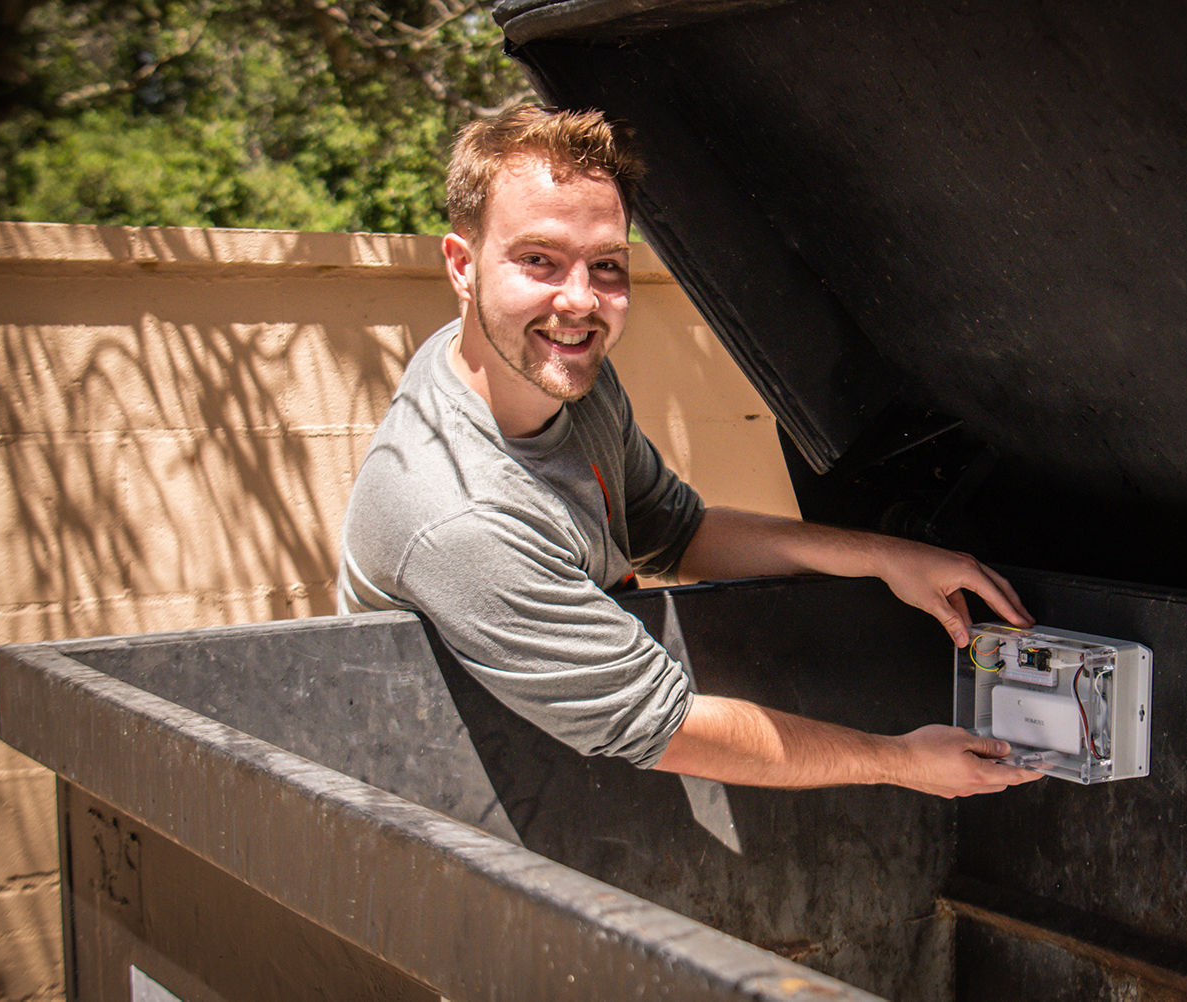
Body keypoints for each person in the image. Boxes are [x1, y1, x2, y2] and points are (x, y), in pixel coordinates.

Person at [338, 105, 1043, 798]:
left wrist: (880, 555)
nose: (580, 301)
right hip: (449, 809)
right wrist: (902, 762)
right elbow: (664, 725)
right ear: (462, 266)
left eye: (607, 264)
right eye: (538, 261)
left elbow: (676, 532)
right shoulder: (459, 515)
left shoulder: (551, 370)